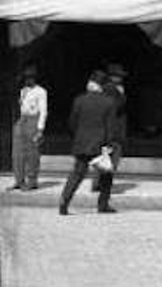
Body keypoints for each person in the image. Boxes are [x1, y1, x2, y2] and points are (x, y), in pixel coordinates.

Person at [58, 70, 121, 215]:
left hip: (81, 142)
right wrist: (109, 144)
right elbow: (110, 126)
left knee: (77, 174)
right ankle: (103, 204)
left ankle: (64, 200)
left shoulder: (79, 100)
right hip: (100, 143)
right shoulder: (109, 102)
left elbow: (72, 122)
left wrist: (78, 136)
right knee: (106, 174)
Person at [10, 66, 47, 191]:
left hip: (33, 119)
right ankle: (19, 180)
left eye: (30, 78)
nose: (27, 80)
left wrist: (40, 129)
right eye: (26, 78)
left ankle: (32, 180)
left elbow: (43, 111)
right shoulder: (23, 90)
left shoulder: (41, 91)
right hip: (22, 119)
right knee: (17, 152)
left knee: (32, 152)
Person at [93, 63, 127, 192]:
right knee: (109, 158)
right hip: (112, 129)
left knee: (104, 156)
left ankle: (99, 183)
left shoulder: (107, 89)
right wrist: (121, 96)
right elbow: (114, 108)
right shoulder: (111, 90)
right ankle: (102, 185)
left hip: (108, 129)